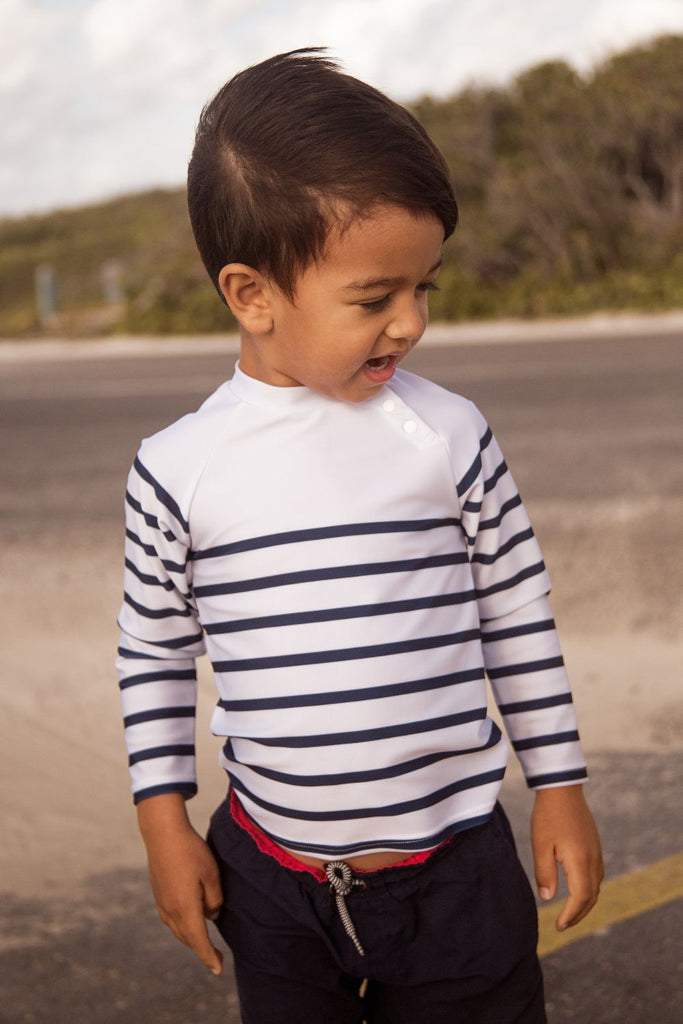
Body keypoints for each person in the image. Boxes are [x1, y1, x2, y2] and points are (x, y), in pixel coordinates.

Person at [116, 48, 603, 1023]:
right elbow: (154, 652)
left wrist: (559, 784)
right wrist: (162, 823)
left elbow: (514, 613)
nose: (410, 322)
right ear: (252, 294)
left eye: (425, 287)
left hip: (457, 873)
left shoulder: (448, 434)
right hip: (273, 883)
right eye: (375, 298)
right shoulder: (176, 469)